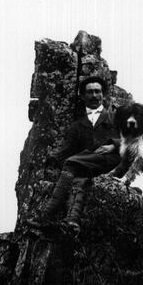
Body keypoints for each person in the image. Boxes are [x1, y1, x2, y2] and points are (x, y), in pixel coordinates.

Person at [28, 75, 121, 233]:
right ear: (83, 96)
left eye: (97, 91)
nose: (94, 95)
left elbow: (135, 140)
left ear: (104, 95)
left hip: (110, 161)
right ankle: (72, 222)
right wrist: (49, 159)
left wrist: (113, 146)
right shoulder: (77, 125)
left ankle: (46, 214)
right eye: (90, 92)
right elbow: (67, 149)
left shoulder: (115, 117)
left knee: (71, 163)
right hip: (87, 166)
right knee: (78, 181)